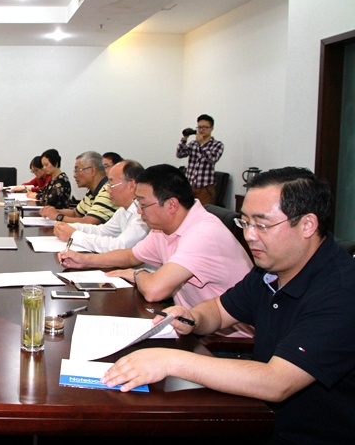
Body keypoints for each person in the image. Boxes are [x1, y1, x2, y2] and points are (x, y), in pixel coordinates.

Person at [101, 167, 355, 444]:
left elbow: (277, 382)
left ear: (307, 225)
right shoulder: (270, 270)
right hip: (259, 415)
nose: (250, 236)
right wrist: (192, 317)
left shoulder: (341, 291)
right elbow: (220, 311)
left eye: (262, 225)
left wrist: (170, 361)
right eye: (245, 223)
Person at [59, 164, 252, 336]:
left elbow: (153, 290)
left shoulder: (203, 233)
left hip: (224, 341)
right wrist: (84, 260)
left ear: (171, 205)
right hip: (190, 326)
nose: (139, 212)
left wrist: (138, 274)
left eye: (143, 205)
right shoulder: (163, 228)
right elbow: (130, 256)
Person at [53, 160, 149, 252]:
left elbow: (120, 246)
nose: (108, 190)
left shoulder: (144, 212)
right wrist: (70, 227)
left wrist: (74, 235)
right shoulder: (122, 210)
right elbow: (102, 230)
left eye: (111, 184)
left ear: (131, 185)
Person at [40, 151, 118, 224]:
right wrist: (52, 211)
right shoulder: (91, 191)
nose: (74, 175)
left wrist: (58, 216)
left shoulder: (108, 191)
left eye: (77, 170)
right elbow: (75, 213)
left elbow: (89, 222)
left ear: (92, 171)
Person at [176, 113, 224, 205]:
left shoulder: (217, 145)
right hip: (190, 187)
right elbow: (180, 154)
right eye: (199, 127)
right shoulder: (193, 143)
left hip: (205, 189)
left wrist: (202, 143)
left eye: (205, 127)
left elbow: (212, 159)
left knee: (204, 211)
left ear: (211, 128)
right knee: (188, 210)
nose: (201, 130)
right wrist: (185, 138)